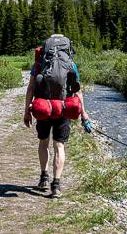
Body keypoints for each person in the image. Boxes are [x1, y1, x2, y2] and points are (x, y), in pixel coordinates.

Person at [23, 35, 92, 198]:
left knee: (44, 142)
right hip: (63, 108)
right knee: (59, 146)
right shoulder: (70, 63)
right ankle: (56, 185)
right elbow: (77, 91)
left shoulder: (39, 63)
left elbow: (30, 88)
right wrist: (84, 115)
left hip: (43, 107)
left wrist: (27, 110)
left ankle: (44, 177)